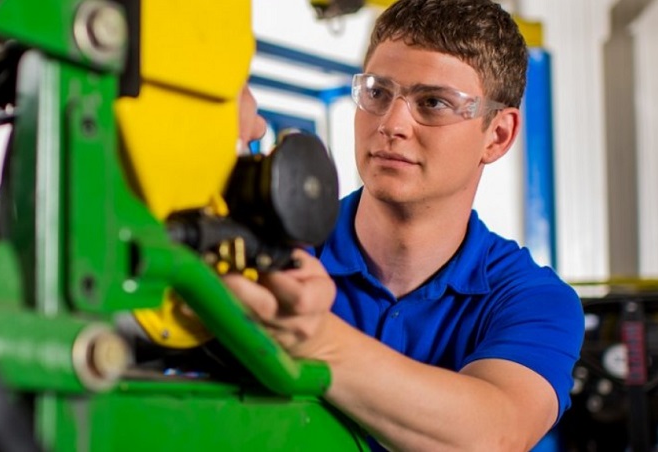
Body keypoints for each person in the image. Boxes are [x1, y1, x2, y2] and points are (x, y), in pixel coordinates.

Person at [227, 0, 584, 450]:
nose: (391, 124)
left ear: (497, 135)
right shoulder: (265, 250)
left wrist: (318, 339)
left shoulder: (532, 299)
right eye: (377, 93)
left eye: (433, 103)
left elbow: (491, 436)